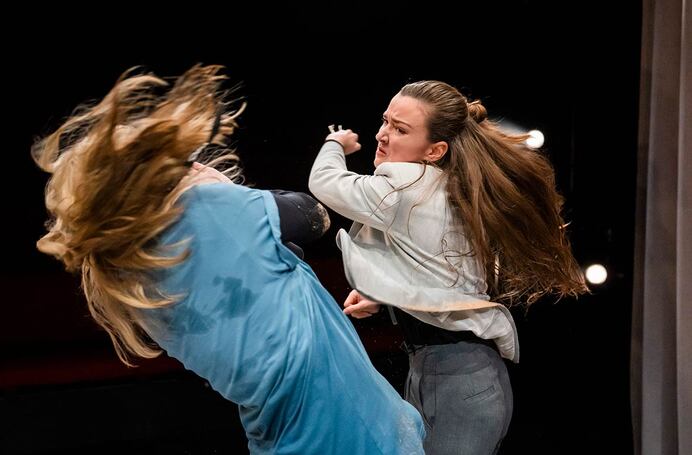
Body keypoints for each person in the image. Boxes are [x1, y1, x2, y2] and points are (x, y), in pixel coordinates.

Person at [33, 65, 425, 454]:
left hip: (290, 436)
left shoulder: (127, 273)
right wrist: (222, 189)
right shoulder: (201, 210)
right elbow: (311, 215)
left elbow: (266, 273)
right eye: (185, 165)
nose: (199, 166)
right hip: (350, 431)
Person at [309, 80, 588, 454]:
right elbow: (440, 275)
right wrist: (383, 295)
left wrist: (335, 145)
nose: (382, 135)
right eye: (385, 121)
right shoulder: (447, 189)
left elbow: (325, 183)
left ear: (436, 150)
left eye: (400, 129)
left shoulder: (407, 186)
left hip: (456, 377)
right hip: (451, 371)